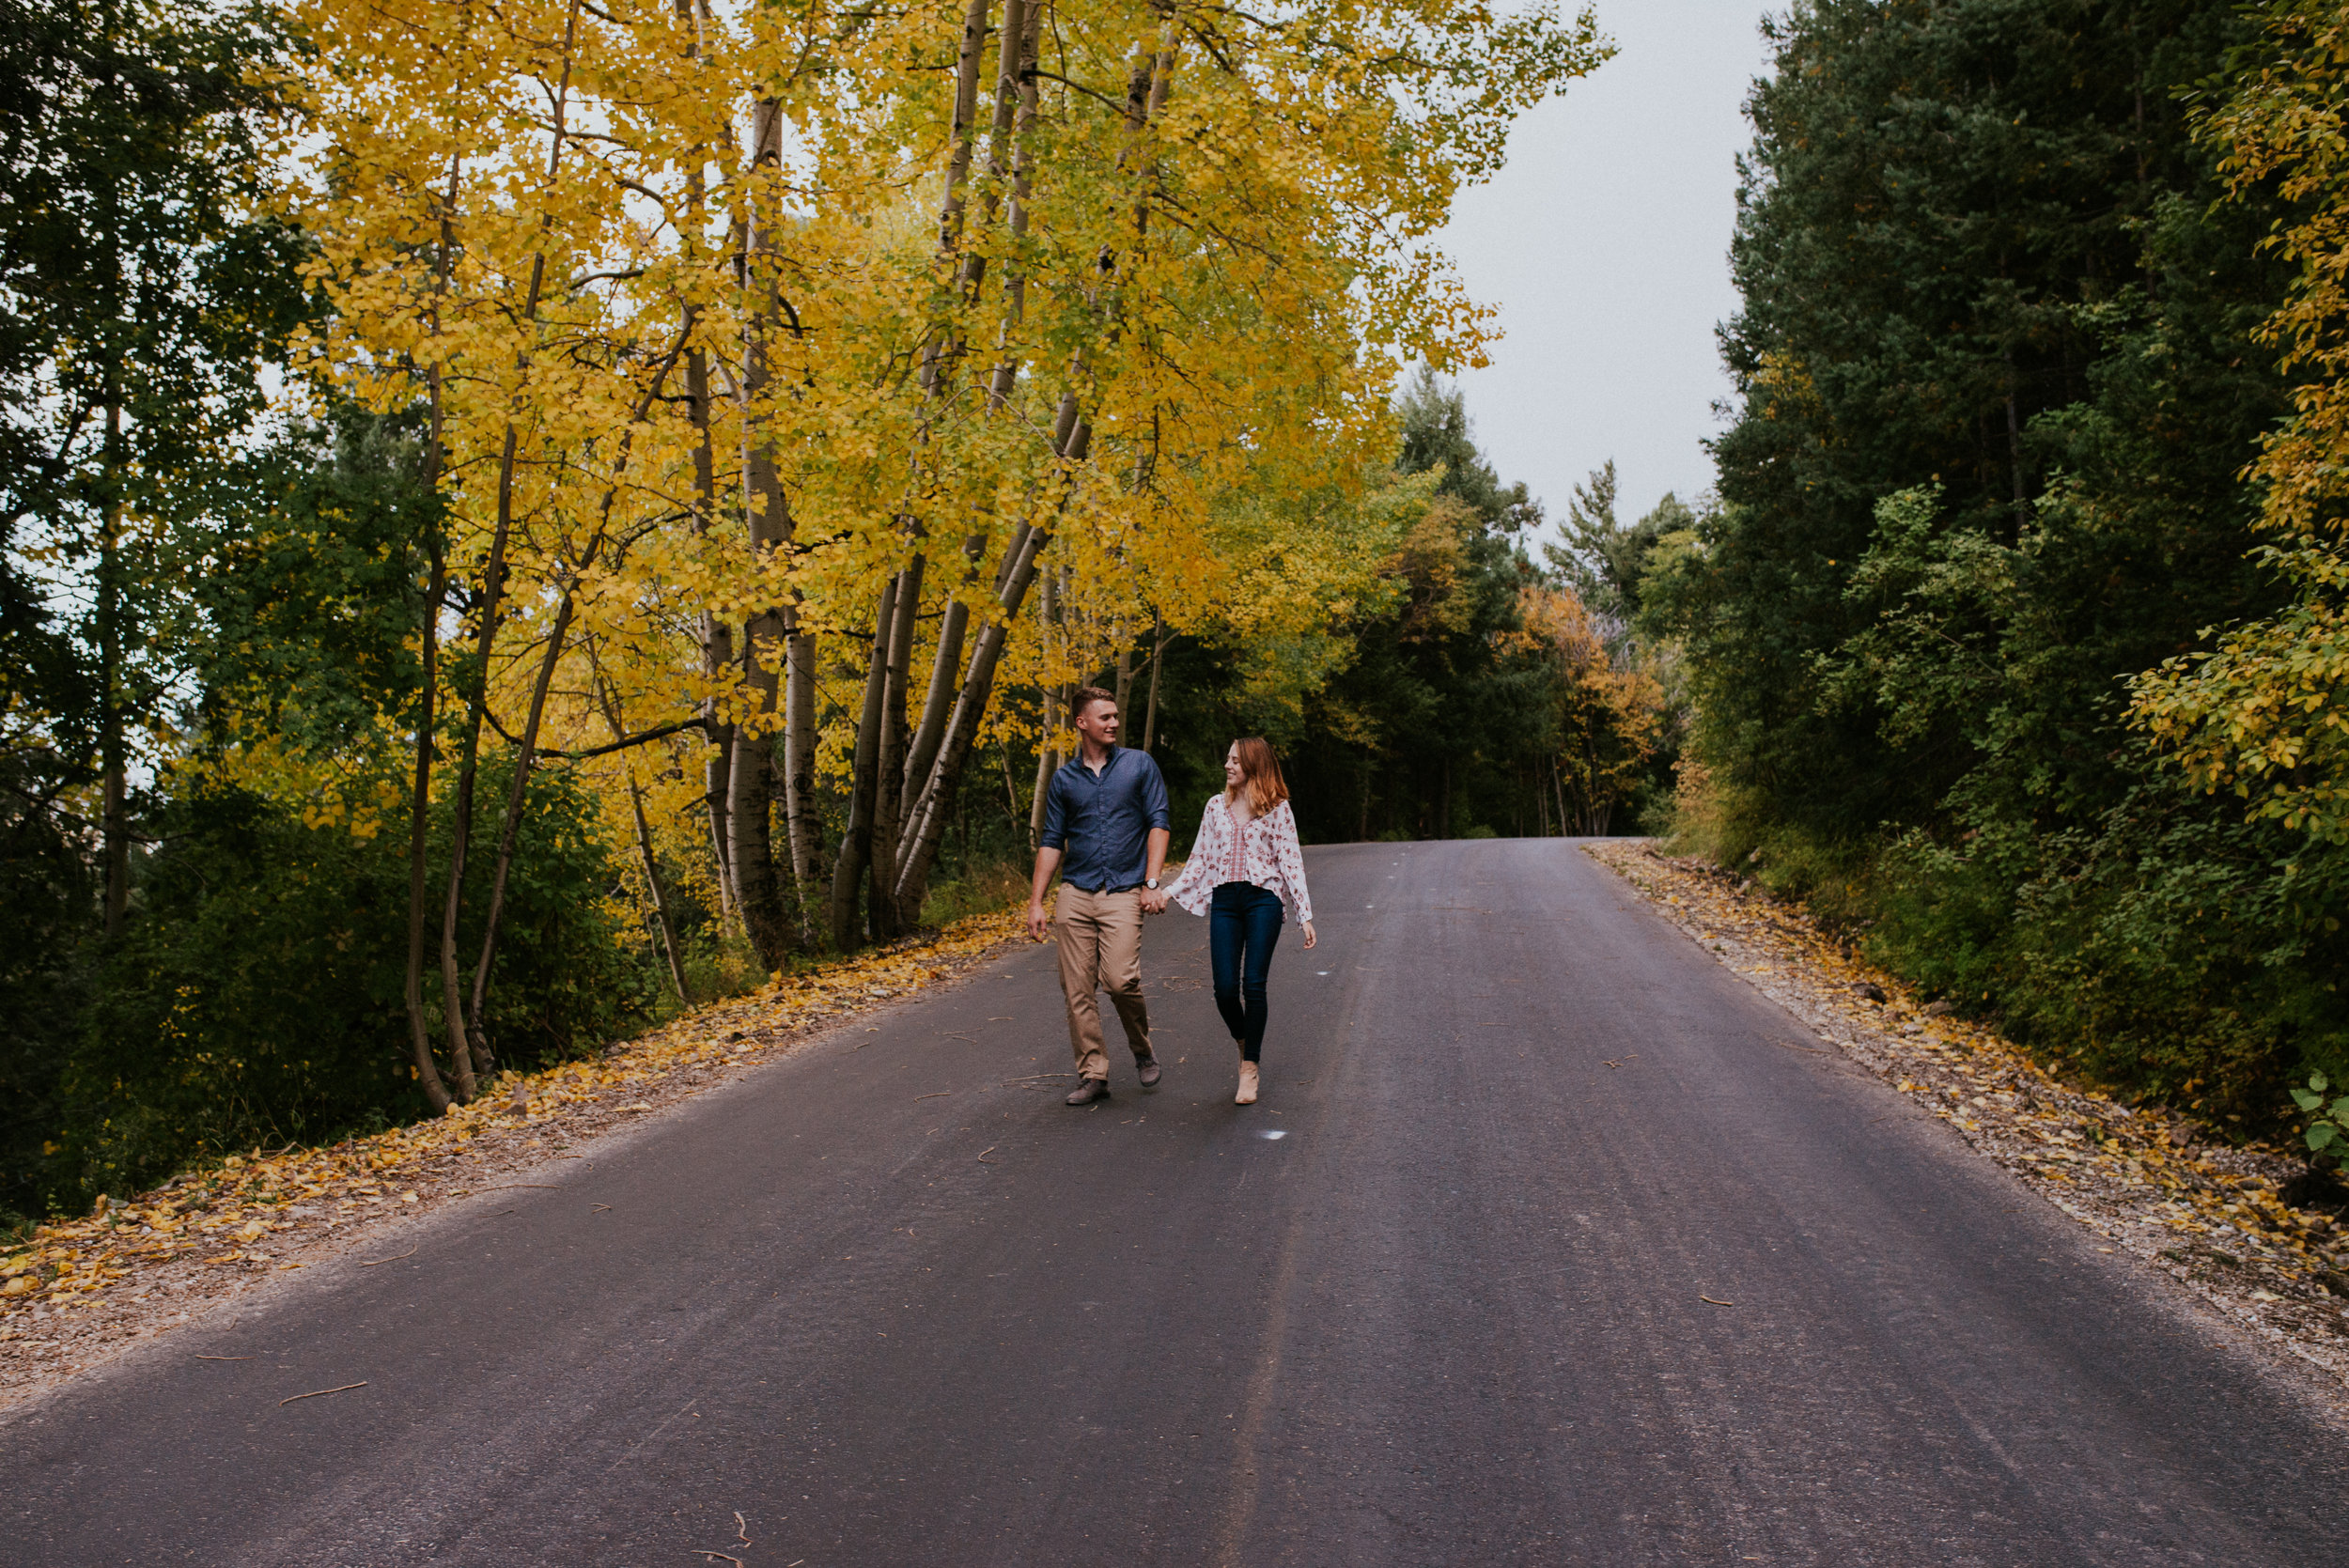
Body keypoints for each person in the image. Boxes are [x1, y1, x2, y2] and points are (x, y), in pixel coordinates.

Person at [1026, 686, 1173, 1106]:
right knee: (1077, 990)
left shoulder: (1139, 765)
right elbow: (1053, 840)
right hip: (1075, 892)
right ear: (1081, 722)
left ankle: (1141, 1048)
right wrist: (1037, 901)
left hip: (1124, 891)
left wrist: (1151, 882)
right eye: (1104, 717)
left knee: (1121, 981)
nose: (1113, 723)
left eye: (1114, 716)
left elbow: (1158, 822)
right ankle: (1094, 1074)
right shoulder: (1064, 780)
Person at [1163, 737, 1315, 1106]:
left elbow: (1290, 862)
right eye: (1228, 759)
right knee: (1225, 989)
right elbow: (1199, 858)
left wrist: (1304, 915)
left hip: (1263, 899)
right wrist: (1168, 891)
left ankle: (1250, 1067)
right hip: (1226, 901)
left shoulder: (1277, 810)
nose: (1227, 765)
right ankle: (1245, 1038)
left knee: (1254, 985)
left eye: (1235, 760)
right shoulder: (1215, 807)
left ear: (1253, 766)